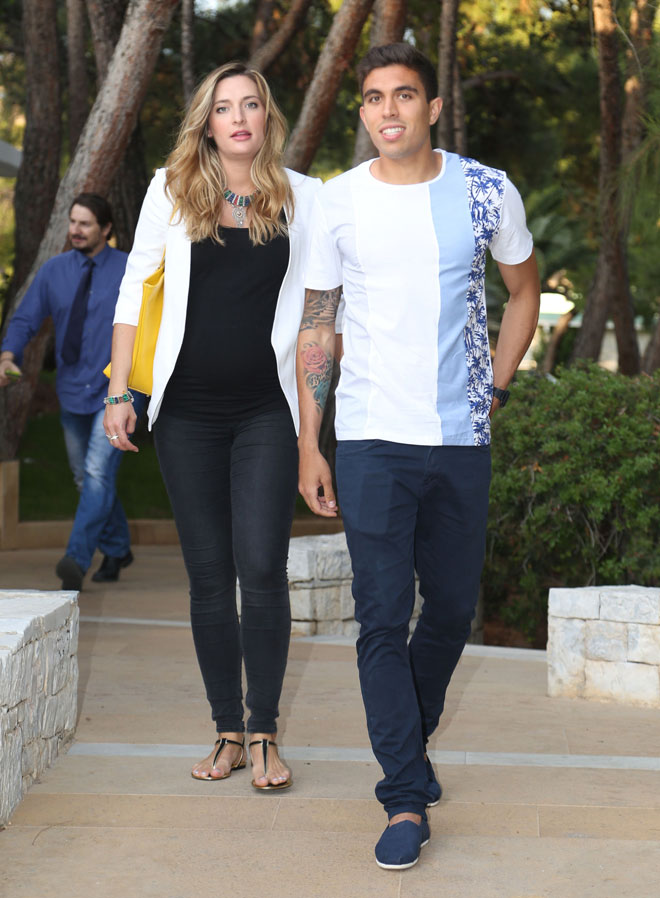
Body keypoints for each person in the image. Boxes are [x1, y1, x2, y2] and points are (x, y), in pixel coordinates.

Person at [296, 42, 540, 869]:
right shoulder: (336, 202)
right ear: (362, 111)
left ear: (432, 108)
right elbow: (318, 324)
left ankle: (411, 738)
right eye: (373, 97)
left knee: (449, 611)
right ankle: (404, 795)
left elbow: (524, 290)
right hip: (369, 438)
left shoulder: (484, 190)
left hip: (460, 437)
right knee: (379, 615)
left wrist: (496, 386)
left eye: (403, 95)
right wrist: (310, 441)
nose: (387, 111)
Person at [104, 62, 321, 790]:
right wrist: (120, 390)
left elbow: (321, 313)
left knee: (261, 568)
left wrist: (313, 431)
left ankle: (265, 732)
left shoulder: (306, 198)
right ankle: (227, 728)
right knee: (207, 577)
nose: (238, 118)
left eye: (250, 105)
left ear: (267, 117)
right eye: (224, 107)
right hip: (186, 414)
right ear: (207, 123)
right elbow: (134, 289)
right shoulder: (171, 191)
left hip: (266, 410)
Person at [0, 194, 145, 592]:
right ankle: (117, 548)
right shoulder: (54, 271)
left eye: (85, 224)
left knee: (97, 472)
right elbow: (26, 318)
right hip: (71, 389)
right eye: (73, 222)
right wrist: (8, 354)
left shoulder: (130, 269)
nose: (75, 230)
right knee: (87, 477)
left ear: (106, 229)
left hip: (117, 392)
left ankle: (75, 561)